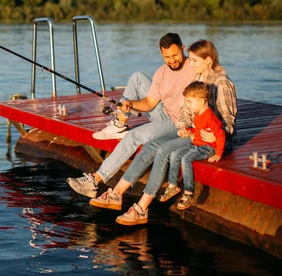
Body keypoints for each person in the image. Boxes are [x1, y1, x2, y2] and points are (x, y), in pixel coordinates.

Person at [91, 40, 236, 226]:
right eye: (190, 60)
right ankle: (116, 194)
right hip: (192, 132)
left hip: (212, 140)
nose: (189, 64)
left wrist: (215, 136)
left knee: (163, 150)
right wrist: (183, 125)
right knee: (151, 145)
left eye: (194, 61)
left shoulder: (221, 83)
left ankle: (142, 208)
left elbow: (229, 122)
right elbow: (185, 110)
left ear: (208, 60)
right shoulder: (198, 79)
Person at [66, 33, 194, 198]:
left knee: (134, 136)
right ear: (162, 54)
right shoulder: (162, 72)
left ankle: (94, 181)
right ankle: (120, 123)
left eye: (175, 55)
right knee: (137, 77)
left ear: (183, 49)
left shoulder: (193, 67)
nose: (172, 60)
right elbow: (149, 103)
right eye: (167, 57)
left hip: (178, 123)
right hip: (165, 113)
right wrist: (131, 104)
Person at [159, 81, 226, 210]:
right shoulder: (198, 115)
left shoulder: (210, 117)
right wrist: (189, 131)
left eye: (190, 102)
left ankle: (189, 192)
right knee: (175, 154)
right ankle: (173, 185)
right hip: (196, 144)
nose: (188, 105)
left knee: (186, 158)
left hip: (208, 148)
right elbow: (199, 130)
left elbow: (221, 135)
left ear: (202, 101)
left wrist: (218, 154)